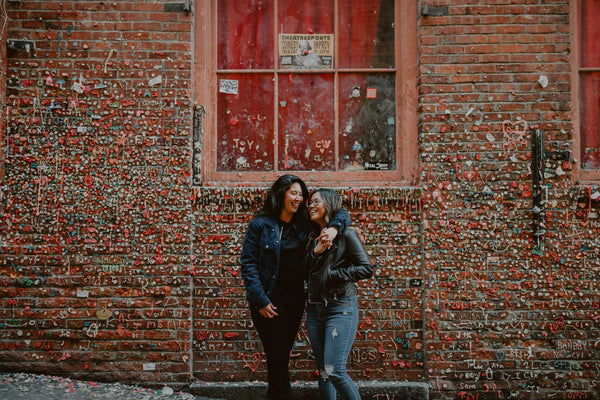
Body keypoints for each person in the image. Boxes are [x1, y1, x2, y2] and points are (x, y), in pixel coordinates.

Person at [240, 175, 351, 400]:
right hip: (266, 301)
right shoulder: (260, 225)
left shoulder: (304, 223)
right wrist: (259, 299)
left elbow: (342, 212)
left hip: (293, 303)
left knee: (279, 356)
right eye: (293, 193)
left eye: (301, 194)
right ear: (280, 194)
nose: (299, 199)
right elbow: (248, 263)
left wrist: (334, 229)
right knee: (276, 357)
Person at [304, 189, 373, 400]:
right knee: (324, 373)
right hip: (315, 310)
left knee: (335, 370)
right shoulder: (310, 236)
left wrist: (333, 275)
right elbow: (304, 271)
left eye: (316, 202)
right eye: (309, 203)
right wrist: (315, 252)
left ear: (329, 204)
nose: (310, 206)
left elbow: (366, 269)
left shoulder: (347, 234)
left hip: (340, 306)